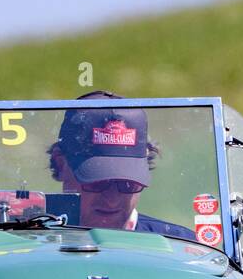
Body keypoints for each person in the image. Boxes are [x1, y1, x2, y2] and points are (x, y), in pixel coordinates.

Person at [46, 91, 191, 238]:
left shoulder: (186, 250)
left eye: (127, 184)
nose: (112, 201)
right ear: (61, 164)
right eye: (97, 183)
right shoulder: (26, 243)